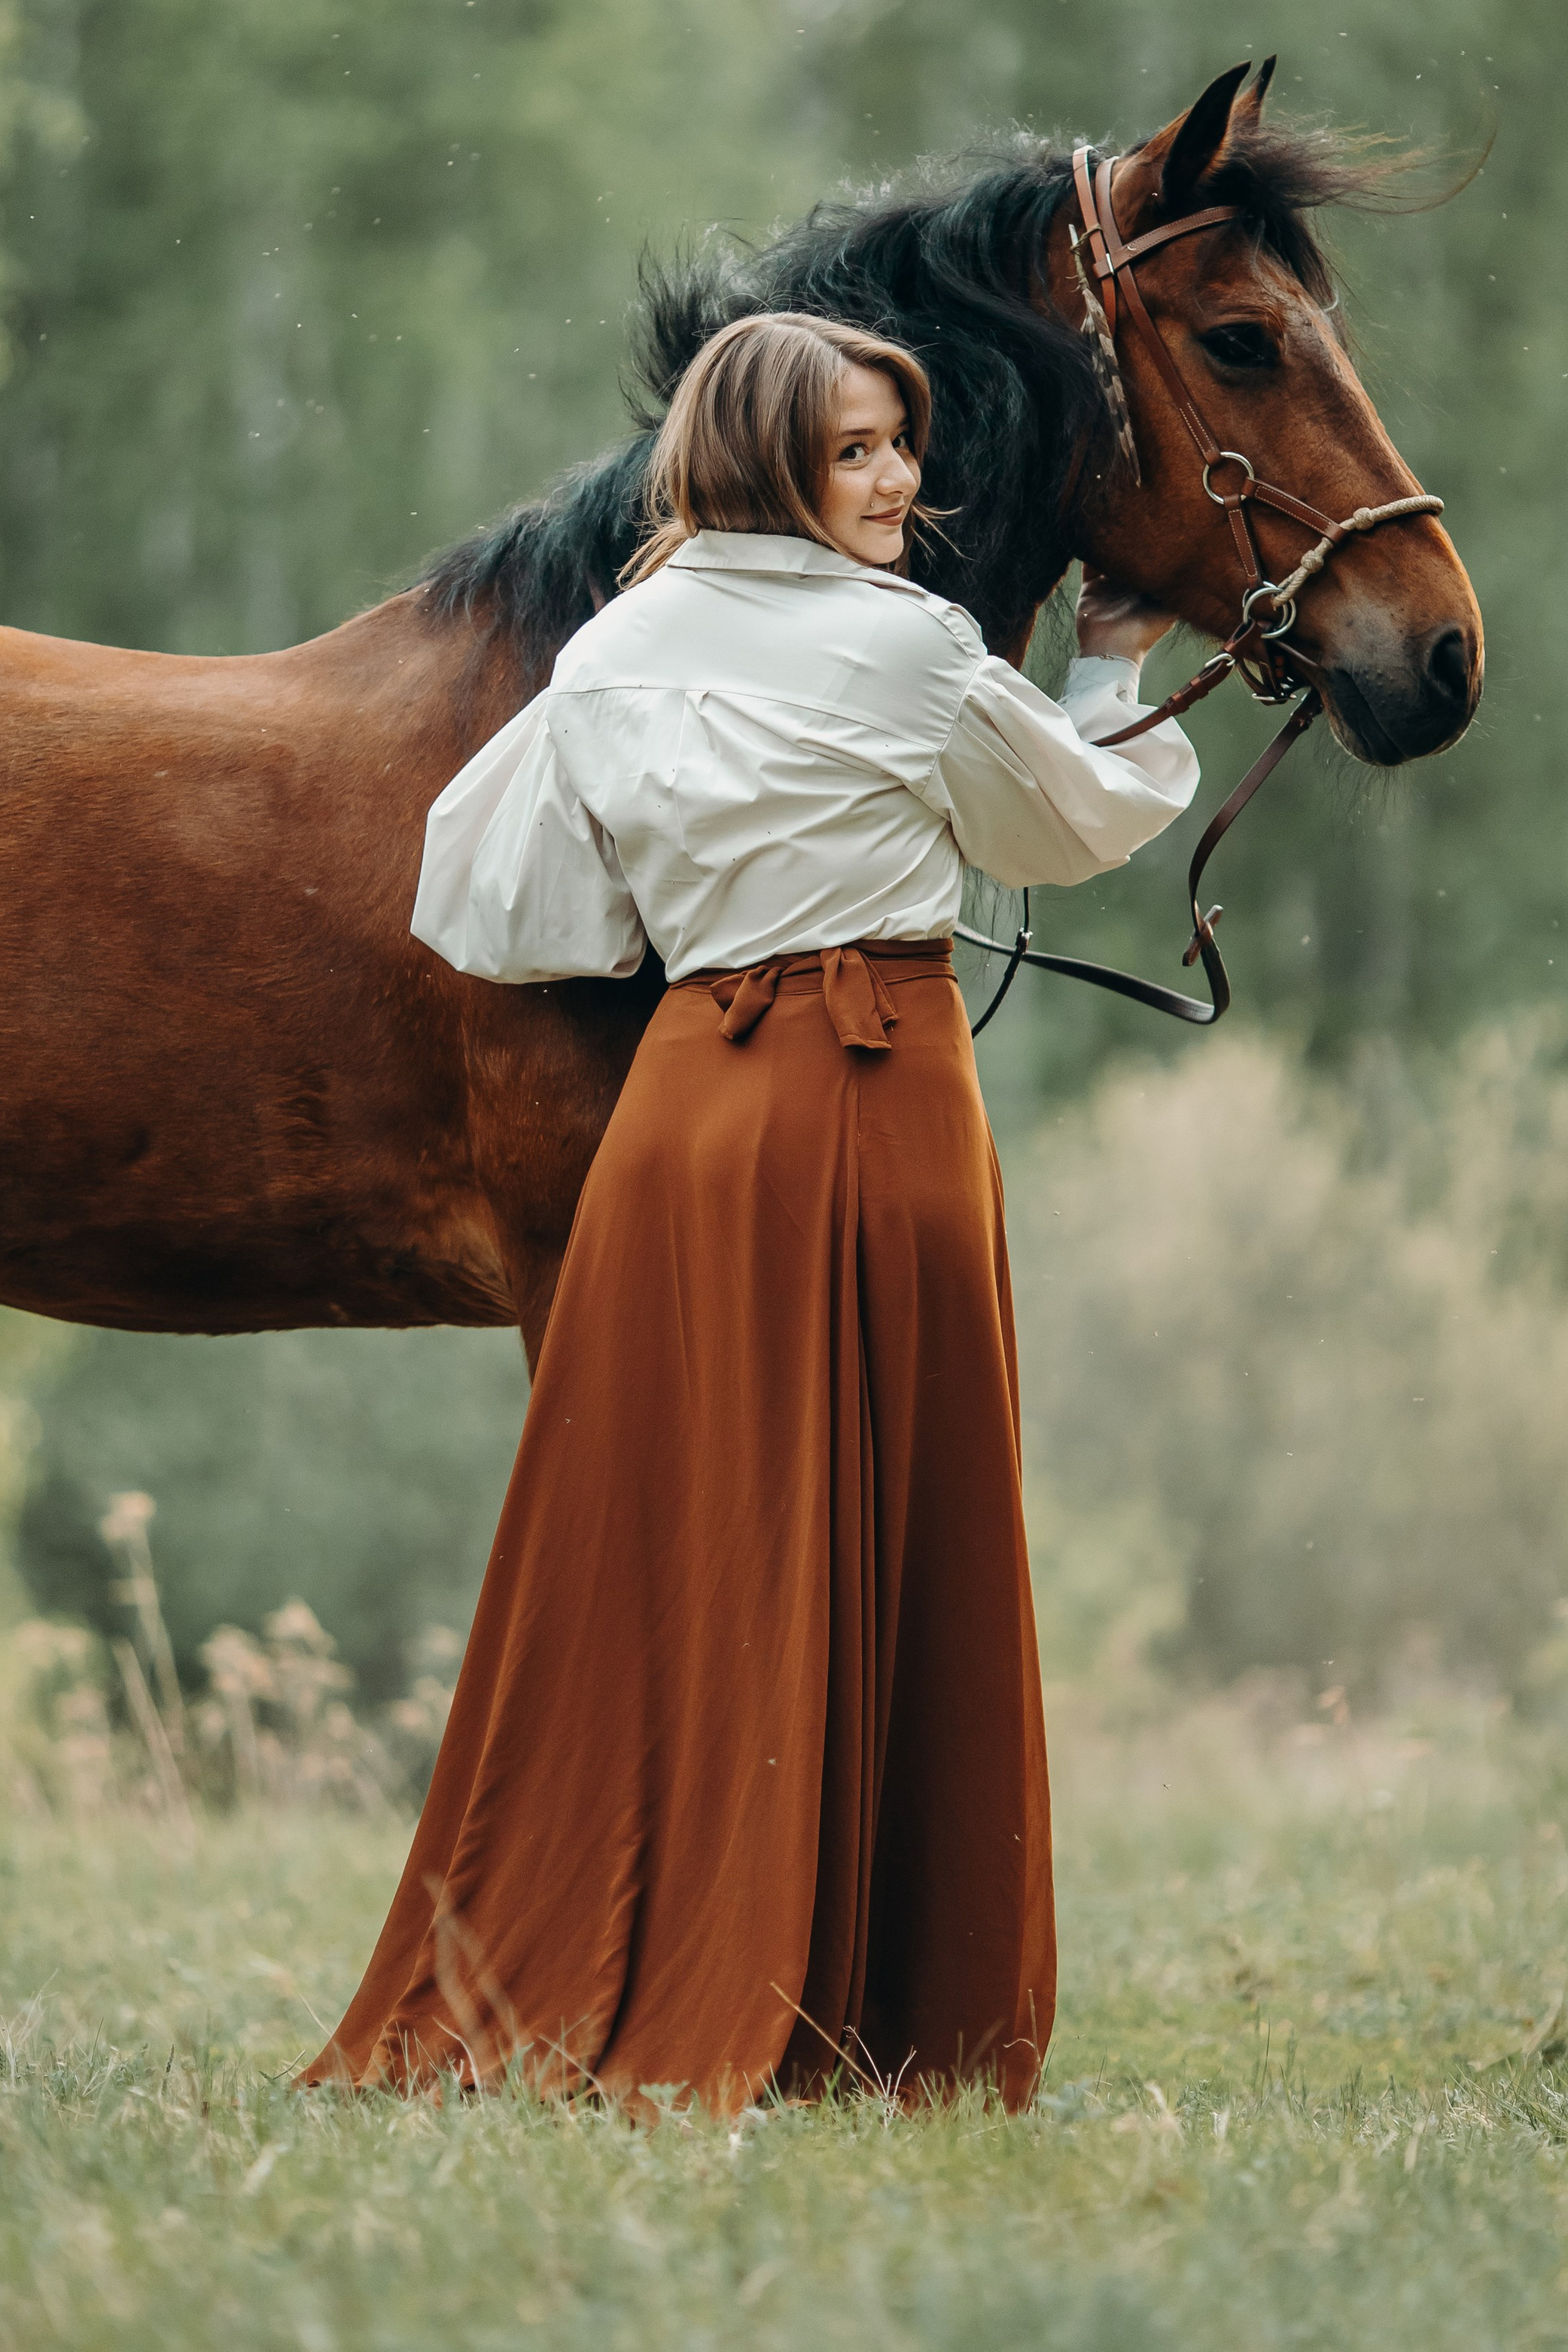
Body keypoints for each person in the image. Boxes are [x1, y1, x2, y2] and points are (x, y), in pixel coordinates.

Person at [305, 311, 1197, 2113]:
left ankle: (590, 1954)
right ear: (767, 459)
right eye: (859, 450)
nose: (898, 482)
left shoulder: (612, 649)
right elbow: (1074, 823)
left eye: (897, 445)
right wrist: (1106, 673)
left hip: (688, 1111)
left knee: (667, 1543)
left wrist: (696, 900)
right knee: (894, 1517)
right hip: (876, 1097)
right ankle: (877, 2006)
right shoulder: (910, 646)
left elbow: (498, 895)